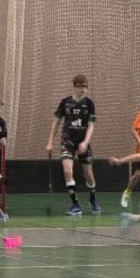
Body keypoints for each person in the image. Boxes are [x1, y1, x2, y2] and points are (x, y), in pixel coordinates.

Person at [47, 73, 99, 216]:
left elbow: (91, 125)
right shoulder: (65, 102)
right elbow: (56, 122)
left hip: (83, 140)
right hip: (68, 140)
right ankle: (75, 204)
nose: (84, 90)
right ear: (74, 87)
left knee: (88, 173)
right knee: (67, 171)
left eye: (85, 87)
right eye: (81, 87)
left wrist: (85, 142)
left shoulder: (89, 103)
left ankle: (93, 198)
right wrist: (50, 141)